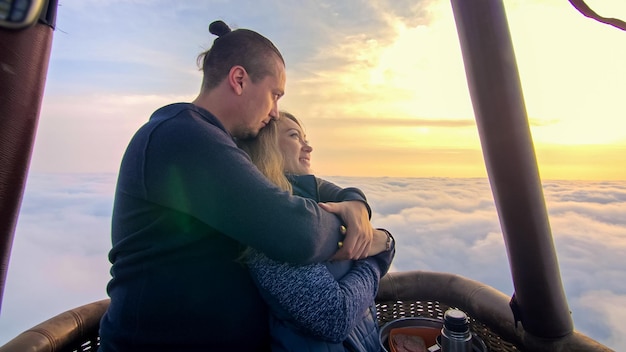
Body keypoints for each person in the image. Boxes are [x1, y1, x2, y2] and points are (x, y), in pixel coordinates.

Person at [98, 20, 376, 352]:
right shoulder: (182, 137)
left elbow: (307, 185)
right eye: (275, 95)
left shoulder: (217, 145)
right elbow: (297, 234)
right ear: (239, 79)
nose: (275, 112)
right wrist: (370, 241)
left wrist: (355, 203)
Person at [237, 112, 396, 352]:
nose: (308, 147)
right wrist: (377, 256)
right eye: (294, 136)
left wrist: (378, 236)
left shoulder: (314, 207)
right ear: (266, 148)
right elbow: (333, 318)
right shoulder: (272, 224)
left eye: (305, 138)